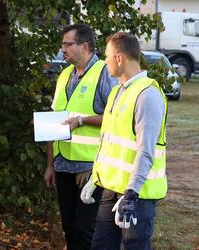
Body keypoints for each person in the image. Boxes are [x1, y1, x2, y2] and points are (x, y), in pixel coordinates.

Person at [81, 32, 167, 249]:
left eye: (107, 56)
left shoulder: (147, 95)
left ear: (119, 58)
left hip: (137, 195)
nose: (105, 61)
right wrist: (96, 178)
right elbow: (110, 143)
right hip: (111, 189)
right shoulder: (117, 92)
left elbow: (145, 150)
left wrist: (131, 194)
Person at [44, 24, 117, 250]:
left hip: (90, 168)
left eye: (67, 44)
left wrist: (82, 120)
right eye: (62, 44)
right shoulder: (65, 74)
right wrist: (50, 165)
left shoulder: (104, 73)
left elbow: (116, 118)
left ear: (84, 46)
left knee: (85, 231)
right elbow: (55, 120)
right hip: (63, 165)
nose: (62, 49)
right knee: (69, 227)